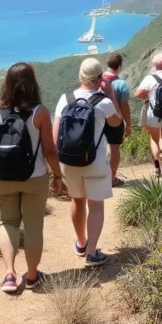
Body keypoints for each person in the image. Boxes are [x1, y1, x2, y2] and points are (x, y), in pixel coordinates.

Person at [0, 62, 63, 293]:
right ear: (32, 84)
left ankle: (9, 274)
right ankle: (33, 276)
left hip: (2, 178)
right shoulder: (40, 112)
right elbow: (49, 150)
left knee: (7, 223)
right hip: (34, 177)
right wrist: (58, 176)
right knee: (34, 225)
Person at [53, 58, 122, 267]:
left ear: (80, 76)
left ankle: (81, 243)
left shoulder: (65, 99)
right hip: (95, 160)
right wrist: (109, 94)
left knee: (77, 201)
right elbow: (117, 122)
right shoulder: (104, 101)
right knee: (96, 205)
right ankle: (92, 253)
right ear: (100, 78)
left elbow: (56, 135)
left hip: (68, 161)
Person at [101, 53, 132, 187]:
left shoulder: (97, 81)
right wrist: (128, 124)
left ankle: (99, 176)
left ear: (107, 65)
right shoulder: (121, 84)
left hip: (98, 119)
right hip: (115, 119)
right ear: (119, 66)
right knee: (114, 149)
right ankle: (112, 178)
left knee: (99, 147)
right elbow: (124, 106)